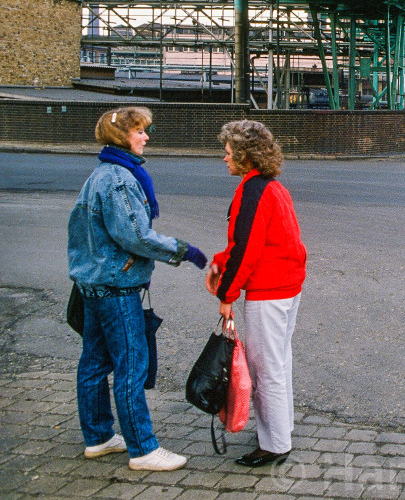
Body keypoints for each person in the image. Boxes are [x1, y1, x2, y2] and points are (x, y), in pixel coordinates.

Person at [67, 107, 208, 471]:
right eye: (140, 131)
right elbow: (136, 236)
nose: (146, 137)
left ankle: (98, 437)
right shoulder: (120, 178)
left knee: (95, 363)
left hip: (93, 284)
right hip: (116, 286)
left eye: (146, 130)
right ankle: (143, 449)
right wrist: (184, 251)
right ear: (121, 136)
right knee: (131, 366)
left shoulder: (100, 174)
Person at [206, 120, 307, 468]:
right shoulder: (273, 188)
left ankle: (275, 443)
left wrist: (226, 293)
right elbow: (259, 242)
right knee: (278, 362)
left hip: (268, 290)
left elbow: (246, 247)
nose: (225, 158)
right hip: (286, 285)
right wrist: (223, 262)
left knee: (265, 368)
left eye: (229, 152)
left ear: (246, 157)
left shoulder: (251, 192)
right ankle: (281, 428)